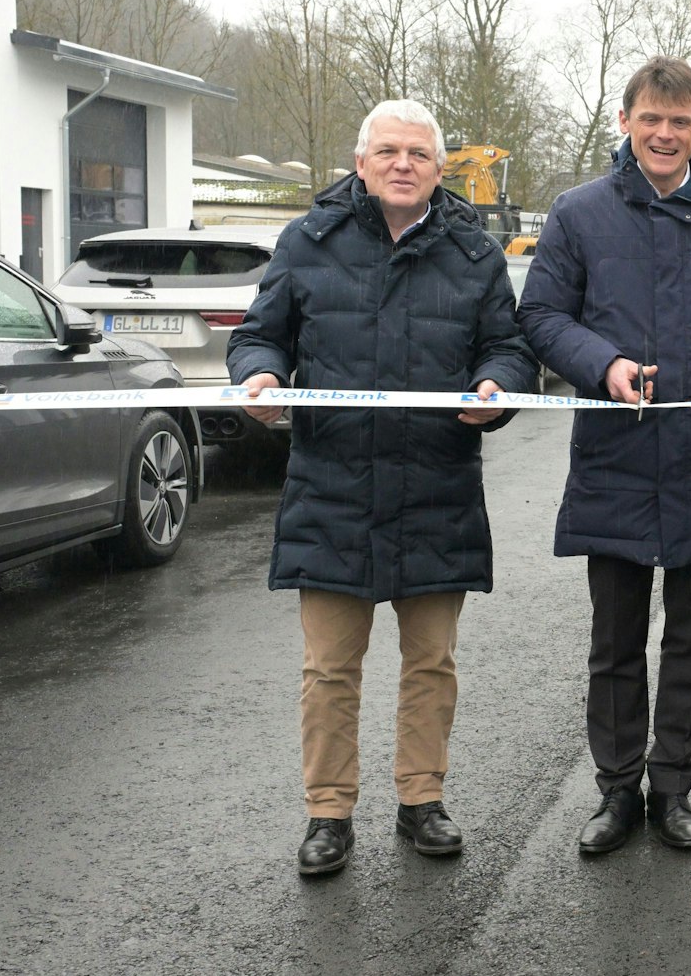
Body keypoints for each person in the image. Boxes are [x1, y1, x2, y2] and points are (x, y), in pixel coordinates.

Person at [228, 99, 537, 876]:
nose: (404, 164)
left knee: (431, 661)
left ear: (439, 169)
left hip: (437, 488)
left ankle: (421, 800)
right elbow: (259, 333)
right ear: (361, 164)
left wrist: (494, 386)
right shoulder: (307, 241)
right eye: (389, 151)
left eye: (419, 154)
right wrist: (259, 372)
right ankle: (328, 812)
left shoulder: (473, 253)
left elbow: (510, 347)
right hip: (330, 489)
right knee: (330, 667)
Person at [517, 56, 691, 855]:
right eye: (651, 118)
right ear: (626, 123)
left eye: (680, 121)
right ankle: (615, 792)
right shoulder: (578, 213)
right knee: (615, 640)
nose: (665, 133)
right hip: (616, 457)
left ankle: (672, 784)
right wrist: (601, 364)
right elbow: (541, 315)